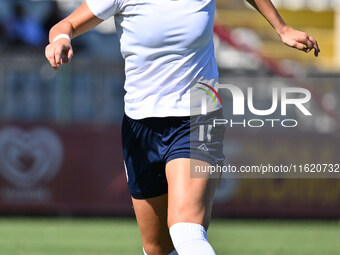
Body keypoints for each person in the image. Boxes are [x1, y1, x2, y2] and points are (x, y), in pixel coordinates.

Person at [45, 0, 320, 254]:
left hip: (197, 119)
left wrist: (281, 28)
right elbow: (65, 25)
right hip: (141, 126)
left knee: (187, 230)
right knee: (157, 249)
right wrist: (60, 40)